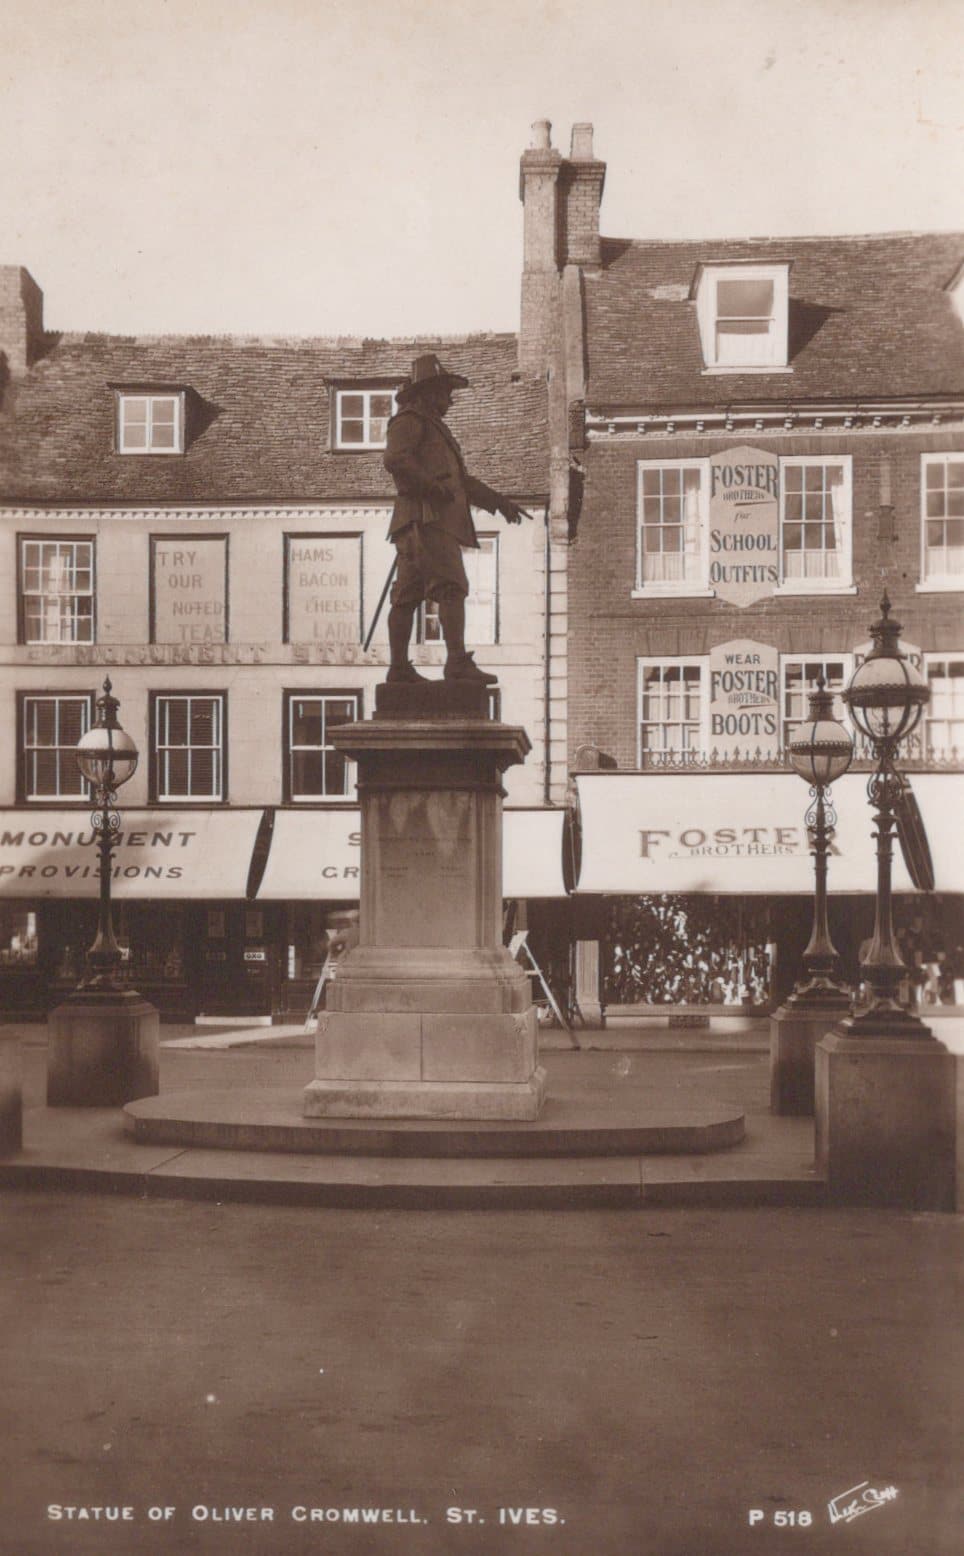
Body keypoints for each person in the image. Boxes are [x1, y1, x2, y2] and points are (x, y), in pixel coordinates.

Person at [382, 352, 531, 684]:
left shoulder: (434, 429)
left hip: (423, 522)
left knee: (408, 593)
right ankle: (455, 663)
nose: (450, 398)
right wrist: (431, 487)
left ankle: (400, 669)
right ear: (428, 392)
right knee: (451, 587)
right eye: (445, 391)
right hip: (428, 520)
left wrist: (500, 503)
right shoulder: (410, 421)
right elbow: (395, 459)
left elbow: (460, 482)